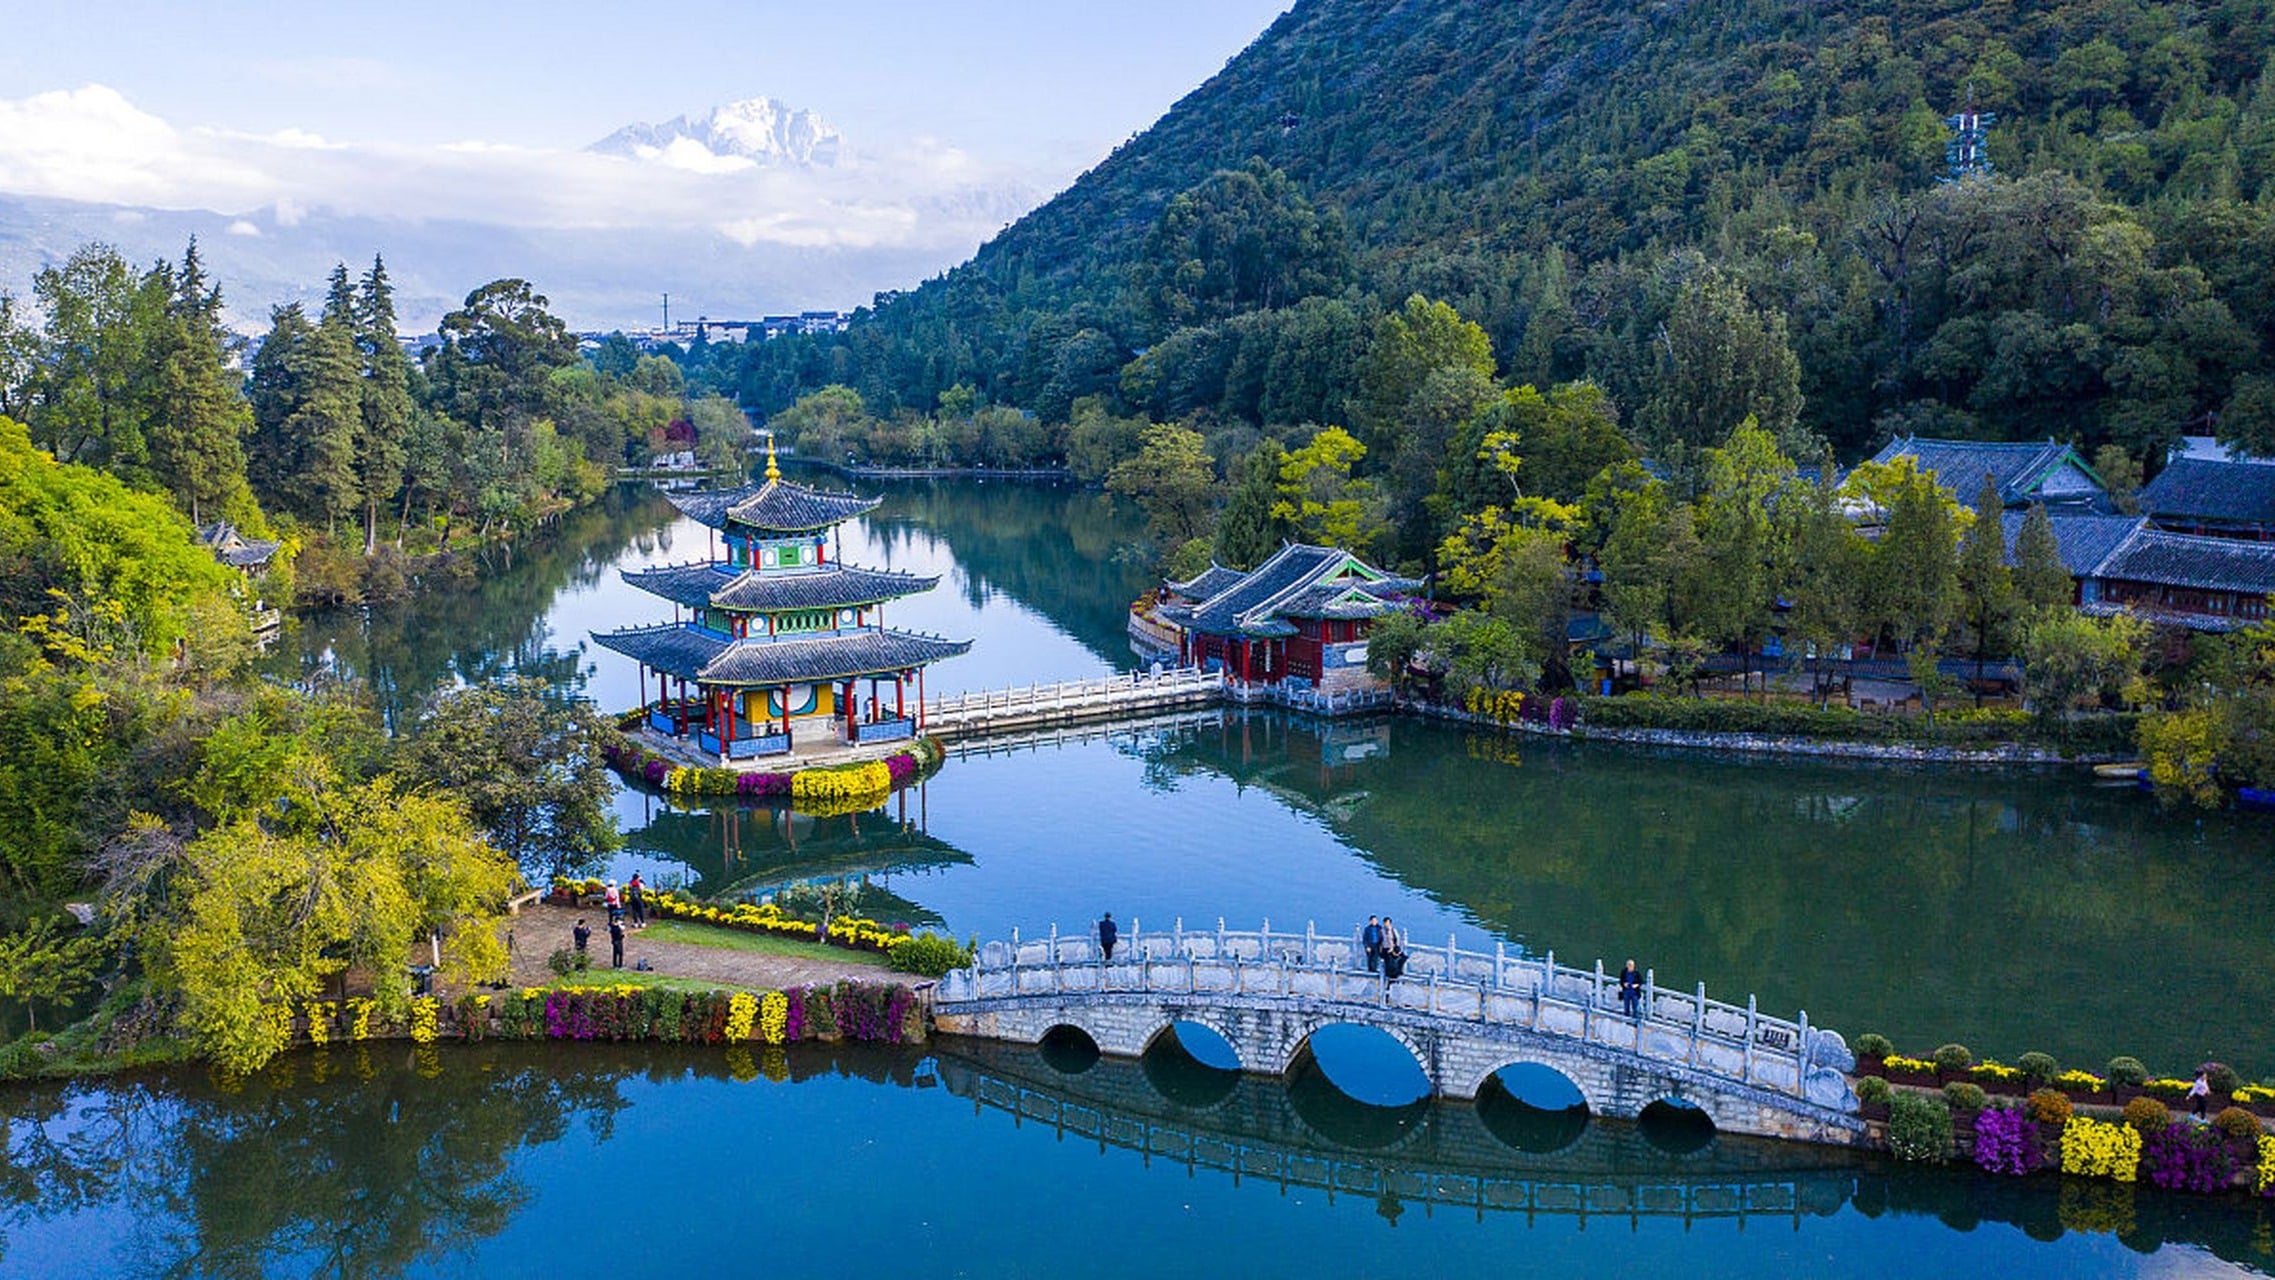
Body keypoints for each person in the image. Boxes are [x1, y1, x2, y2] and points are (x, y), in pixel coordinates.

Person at [1380, 916, 1405, 981]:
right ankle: (1385, 976)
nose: (1386, 924)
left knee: (1392, 963)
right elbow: (1381, 939)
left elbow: (1397, 939)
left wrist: (1394, 948)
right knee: (1385, 963)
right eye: (1385, 922)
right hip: (1385, 948)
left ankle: (1393, 977)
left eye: (1387, 922)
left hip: (1392, 949)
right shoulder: (1382, 930)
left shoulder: (1393, 930)